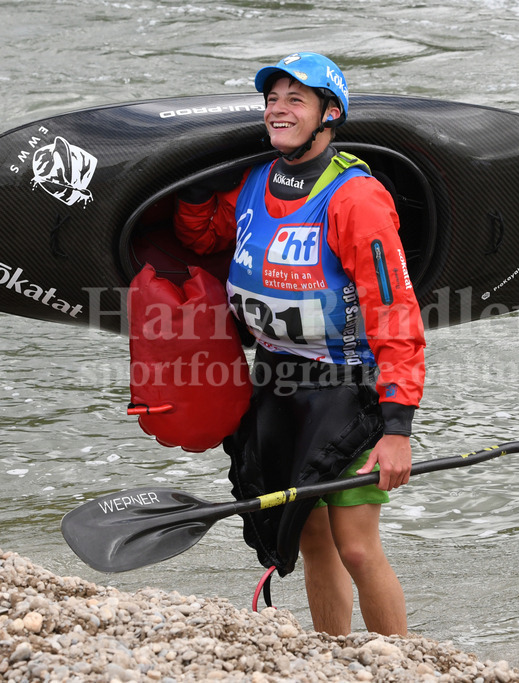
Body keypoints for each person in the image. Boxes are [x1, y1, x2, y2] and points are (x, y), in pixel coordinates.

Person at [173, 52, 425, 637]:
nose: (278, 109)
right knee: (311, 539)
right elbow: (206, 237)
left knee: (356, 545)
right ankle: (333, 658)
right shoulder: (255, 181)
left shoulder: (357, 199)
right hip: (277, 382)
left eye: (296, 99)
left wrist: (397, 429)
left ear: (329, 113)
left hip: (349, 388)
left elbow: (396, 314)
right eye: (272, 99)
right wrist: (195, 190)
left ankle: (402, 664)